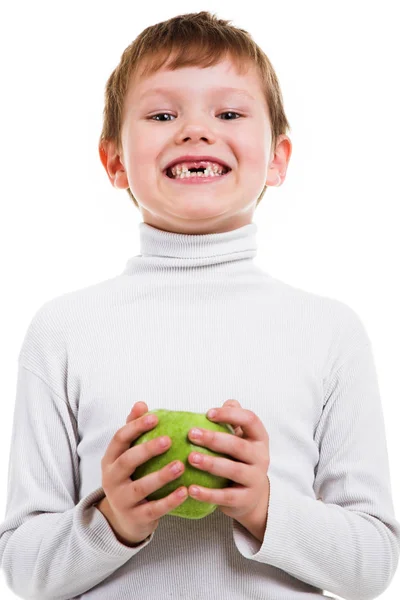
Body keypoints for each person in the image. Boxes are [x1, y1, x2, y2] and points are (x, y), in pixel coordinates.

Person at [0, 9, 399, 600]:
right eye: (163, 114)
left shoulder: (328, 331)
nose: (195, 130)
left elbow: (372, 567)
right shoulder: (64, 329)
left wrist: (264, 507)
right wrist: (113, 521)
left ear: (278, 158)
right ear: (113, 161)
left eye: (230, 113)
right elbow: (23, 571)